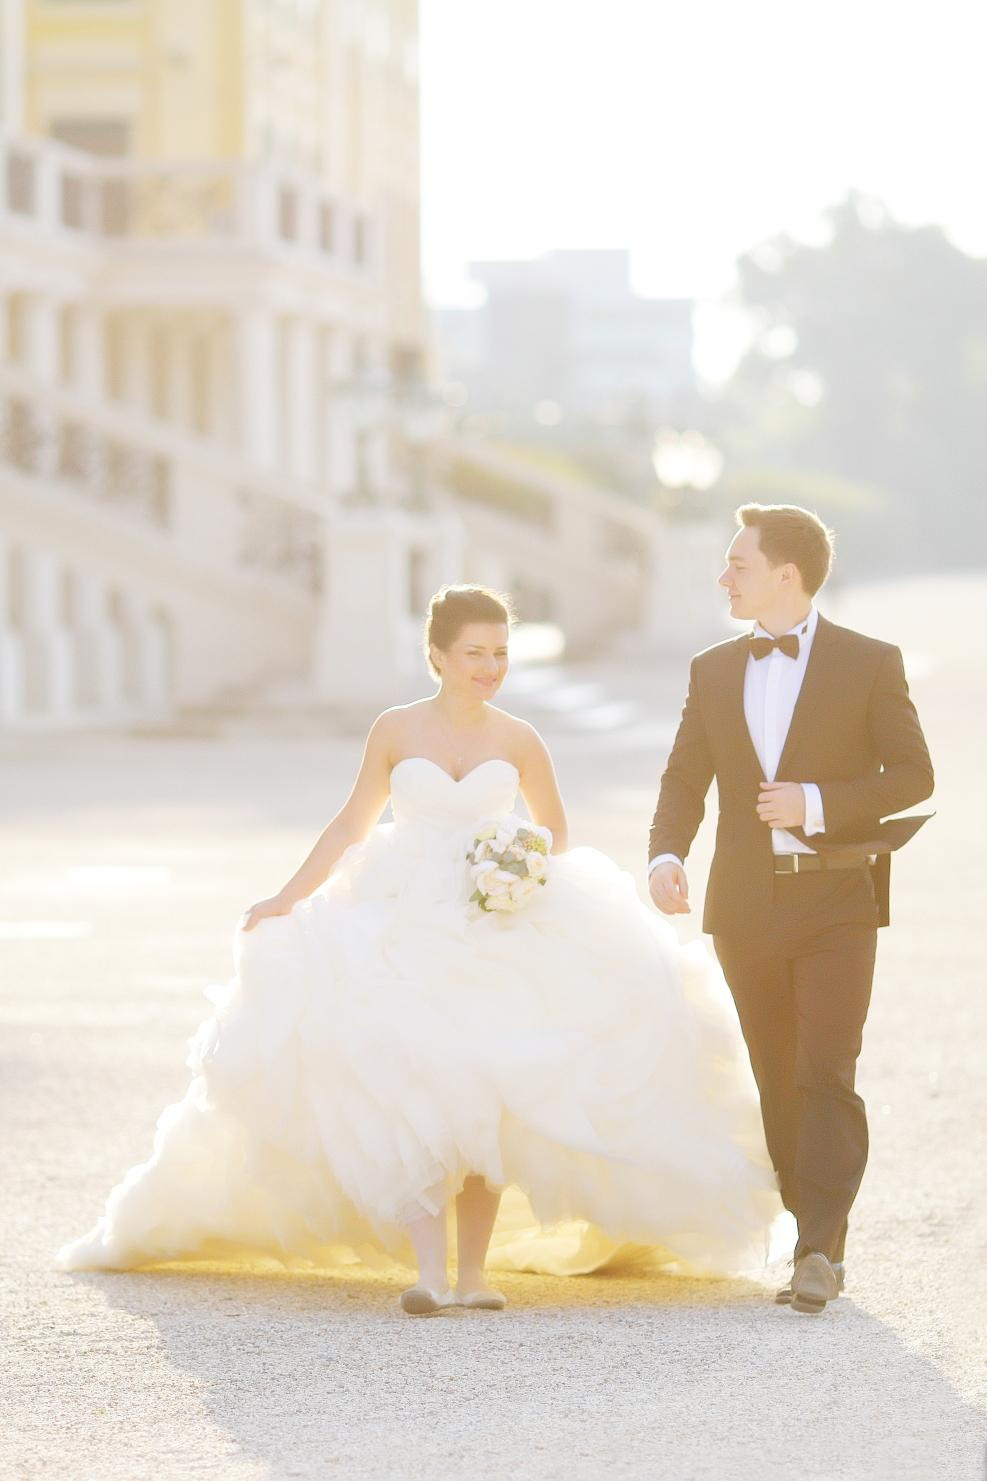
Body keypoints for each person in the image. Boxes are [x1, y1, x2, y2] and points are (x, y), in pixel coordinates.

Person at [56, 584, 784, 1314]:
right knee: (414, 1082)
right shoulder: (394, 729)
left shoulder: (519, 738)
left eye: (500, 652)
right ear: (436, 654)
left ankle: (475, 1277)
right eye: (474, 653)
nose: (489, 666)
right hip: (400, 916)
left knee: (491, 1083)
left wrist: (514, 865)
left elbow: (553, 833)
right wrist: (288, 896)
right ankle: (429, 1275)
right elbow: (351, 824)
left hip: (497, 922)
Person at [649, 505, 934, 1315]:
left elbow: (912, 774)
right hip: (744, 904)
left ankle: (818, 1247)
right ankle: (808, 1222)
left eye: (736, 563)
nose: (722, 576)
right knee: (776, 1074)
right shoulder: (710, 669)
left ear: (786, 574)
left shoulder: (869, 661)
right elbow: (683, 776)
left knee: (825, 1068)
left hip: (838, 898)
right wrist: (665, 853)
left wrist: (814, 799)